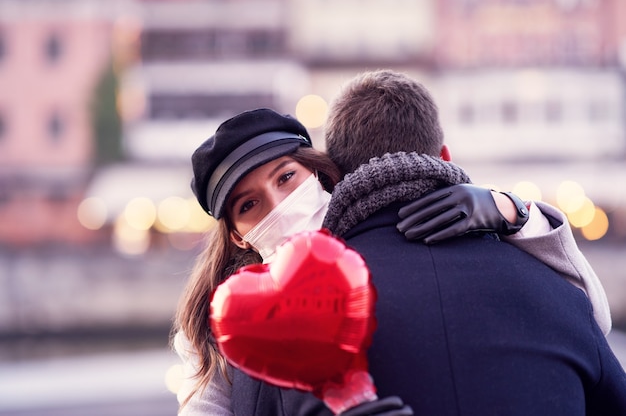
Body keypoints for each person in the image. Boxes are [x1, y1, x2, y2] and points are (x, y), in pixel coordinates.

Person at [174, 106, 616, 414]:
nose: (279, 206)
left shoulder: (386, 251)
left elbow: (593, 313)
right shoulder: (231, 332)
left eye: (287, 178)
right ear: (236, 235)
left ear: (321, 175)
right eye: (249, 205)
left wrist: (515, 212)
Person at [313, 69, 625, 414]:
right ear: (445, 155)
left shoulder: (306, 315)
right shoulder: (556, 292)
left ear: (332, 177)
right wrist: (520, 213)